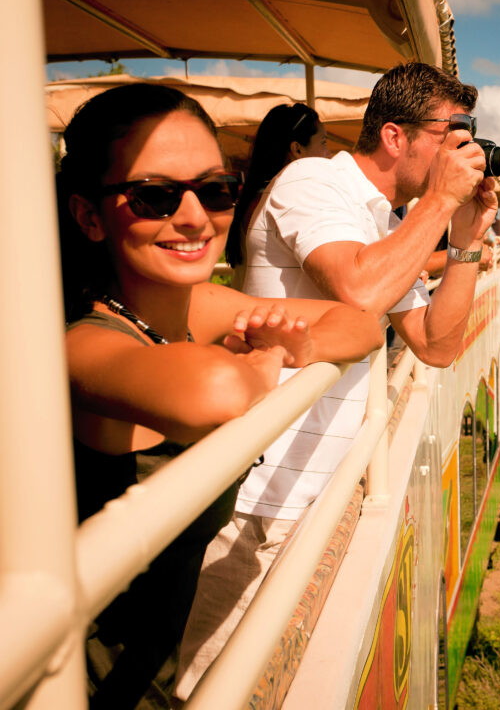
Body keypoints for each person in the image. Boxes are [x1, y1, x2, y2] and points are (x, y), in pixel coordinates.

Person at [175, 62, 497, 698]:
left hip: (323, 487)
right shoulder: (313, 180)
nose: (464, 151)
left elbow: (435, 344)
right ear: (396, 137)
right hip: (263, 500)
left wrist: (462, 244)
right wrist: (439, 203)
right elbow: (359, 288)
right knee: (212, 688)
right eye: (450, 133)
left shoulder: (387, 219)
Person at [57, 83, 382, 709]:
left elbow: (360, 323)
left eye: (215, 190)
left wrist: (292, 347)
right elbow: (215, 389)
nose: (194, 218)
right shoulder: (81, 343)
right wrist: (265, 352)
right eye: (154, 196)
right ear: (89, 216)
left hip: (152, 673)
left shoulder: (197, 306)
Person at [225, 103, 331, 282]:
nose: (329, 154)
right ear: (297, 149)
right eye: (323, 143)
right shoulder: (289, 200)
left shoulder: (254, 198)